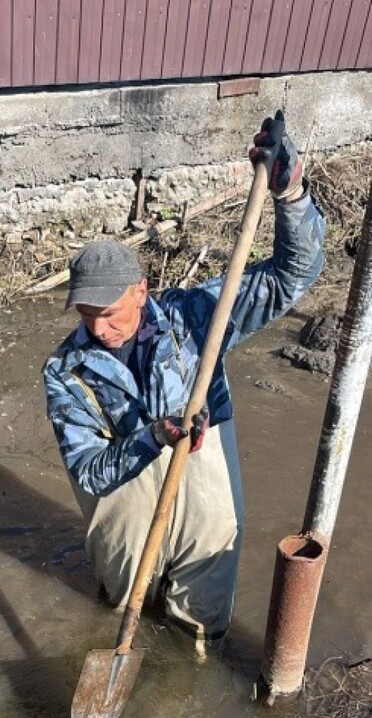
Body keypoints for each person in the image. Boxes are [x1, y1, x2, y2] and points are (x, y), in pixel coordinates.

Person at [42, 113, 326, 653]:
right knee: (119, 609)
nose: (98, 328)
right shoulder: (66, 371)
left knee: (200, 629)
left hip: (202, 488)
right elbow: (90, 472)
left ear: (141, 289)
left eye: (109, 312)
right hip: (124, 505)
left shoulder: (194, 319)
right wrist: (153, 435)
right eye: (86, 315)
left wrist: (290, 195)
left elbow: (293, 274)